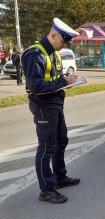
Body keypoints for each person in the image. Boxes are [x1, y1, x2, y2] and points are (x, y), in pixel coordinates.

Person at [21, 18, 80, 204]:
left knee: (61, 141)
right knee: (46, 147)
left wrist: (68, 79)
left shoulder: (53, 53)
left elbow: (53, 77)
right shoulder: (34, 54)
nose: (64, 46)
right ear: (53, 35)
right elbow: (36, 86)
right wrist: (64, 82)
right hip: (43, 105)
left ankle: (60, 177)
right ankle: (46, 189)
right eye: (63, 42)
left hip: (55, 104)